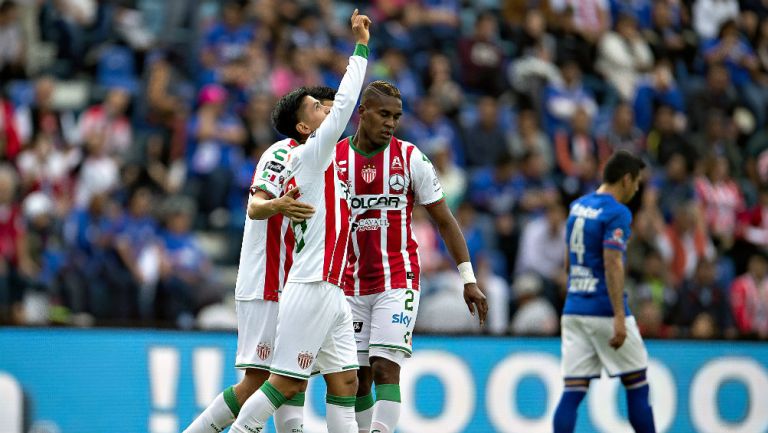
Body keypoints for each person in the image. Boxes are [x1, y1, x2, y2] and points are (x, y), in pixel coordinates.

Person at [229, 10, 371, 433]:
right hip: (310, 283)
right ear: (304, 126)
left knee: (346, 380)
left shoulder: (328, 161)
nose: (327, 110)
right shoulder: (309, 155)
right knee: (284, 384)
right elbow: (345, 104)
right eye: (317, 107)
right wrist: (361, 46)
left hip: (333, 286)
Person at [335, 80, 488, 433]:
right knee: (358, 378)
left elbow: (445, 222)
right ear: (362, 113)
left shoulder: (410, 158)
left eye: (397, 117)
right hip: (350, 283)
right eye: (383, 114)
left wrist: (469, 279)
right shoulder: (336, 158)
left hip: (398, 279)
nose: (390, 123)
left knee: (385, 366)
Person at [553, 150, 656, 433]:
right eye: (637, 183)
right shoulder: (617, 212)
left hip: (574, 308)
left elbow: (567, 260)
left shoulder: (577, 206)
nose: (636, 189)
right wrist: (620, 316)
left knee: (572, 392)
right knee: (636, 384)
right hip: (604, 310)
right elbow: (612, 262)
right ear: (626, 179)